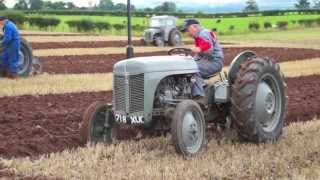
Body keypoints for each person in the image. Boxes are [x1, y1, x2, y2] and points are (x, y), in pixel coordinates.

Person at [181, 19, 224, 100]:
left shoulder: (203, 34)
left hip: (214, 62)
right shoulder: (200, 35)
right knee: (188, 65)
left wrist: (199, 49)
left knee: (192, 68)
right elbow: (200, 55)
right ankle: (190, 90)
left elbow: (209, 50)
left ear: (195, 27)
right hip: (208, 61)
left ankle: (198, 96)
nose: (187, 33)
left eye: (187, 30)